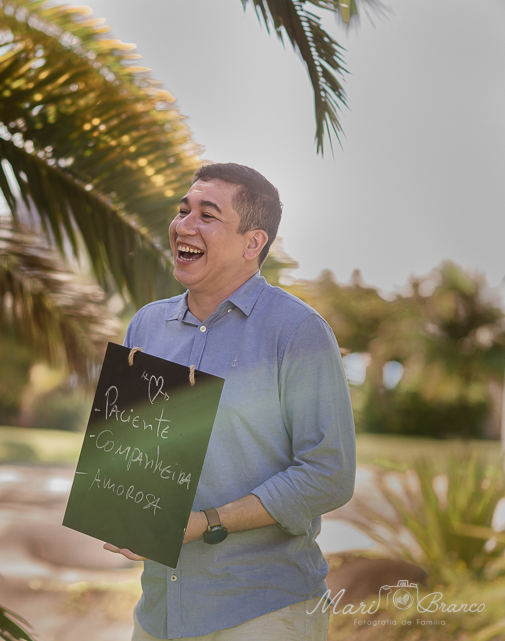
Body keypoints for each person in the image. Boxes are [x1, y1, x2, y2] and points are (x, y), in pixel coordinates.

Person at [104, 163, 356, 640]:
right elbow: (137, 451)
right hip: (158, 614)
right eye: (183, 211)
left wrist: (207, 522)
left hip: (261, 613)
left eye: (207, 214)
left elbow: (329, 473)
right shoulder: (146, 327)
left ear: (252, 242)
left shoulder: (298, 332)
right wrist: (121, 503)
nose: (183, 225)